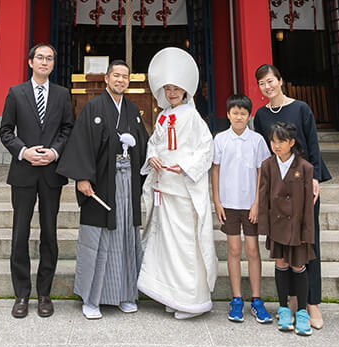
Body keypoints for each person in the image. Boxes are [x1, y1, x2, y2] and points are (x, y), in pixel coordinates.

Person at [56, 59, 148, 319]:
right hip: (100, 183)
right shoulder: (93, 107)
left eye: (125, 77)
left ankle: (125, 294)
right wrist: (82, 178)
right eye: (116, 76)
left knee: (126, 237)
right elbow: (81, 144)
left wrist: (138, 147)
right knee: (96, 240)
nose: (120, 80)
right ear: (106, 79)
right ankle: (91, 299)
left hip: (127, 182)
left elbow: (143, 142)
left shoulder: (132, 109)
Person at [137, 47, 217, 319]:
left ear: (185, 91)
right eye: (167, 89)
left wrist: (184, 166)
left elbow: (206, 149)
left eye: (177, 88)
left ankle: (191, 300)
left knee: (186, 246)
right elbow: (154, 144)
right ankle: (172, 296)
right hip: (164, 188)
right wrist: (154, 159)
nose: (172, 93)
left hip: (183, 189)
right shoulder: (161, 116)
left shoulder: (193, 117)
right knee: (167, 246)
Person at [252, 63, 331, 329]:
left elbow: (313, 143)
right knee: (284, 244)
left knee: (308, 242)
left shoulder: (301, 108)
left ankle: (312, 303)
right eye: (262, 83)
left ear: (281, 81)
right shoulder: (261, 115)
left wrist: (316, 177)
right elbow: (265, 153)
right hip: (278, 185)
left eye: (271, 81)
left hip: (303, 182)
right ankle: (291, 304)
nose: (267, 86)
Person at [0, 43, 74, 319]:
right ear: (30, 62)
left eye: (49, 58)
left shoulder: (62, 94)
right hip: (24, 171)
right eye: (40, 57)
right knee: (20, 233)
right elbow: (5, 130)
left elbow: (68, 128)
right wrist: (23, 151)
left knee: (49, 234)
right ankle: (21, 293)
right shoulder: (16, 93)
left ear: (53, 64)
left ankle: (44, 293)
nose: (44, 62)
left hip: (51, 173)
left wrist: (54, 152)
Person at [211, 93, 273, 324]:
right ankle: (236, 299)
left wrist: (258, 202)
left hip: (250, 204)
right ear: (228, 114)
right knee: (234, 250)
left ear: (249, 116)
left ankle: (256, 299)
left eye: (243, 113)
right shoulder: (220, 139)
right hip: (228, 203)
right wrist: (216, 201)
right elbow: (215, 170)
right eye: (234, 112)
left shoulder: (257, 140)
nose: (239, 117)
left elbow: (261, 172)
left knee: (253, 249)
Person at [254, 120, 317, 336]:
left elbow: (308, 204)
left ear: (291, 142)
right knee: (280, 263)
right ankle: (283, 307)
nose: (276, 145)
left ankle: (301, 311)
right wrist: (265, 225)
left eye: (281, 141)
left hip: (297, 225)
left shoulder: (305, 167)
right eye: (273, 141)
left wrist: (308, 231)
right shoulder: (267, 165)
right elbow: (263, 196)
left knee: (298, 266)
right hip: (277, 223)